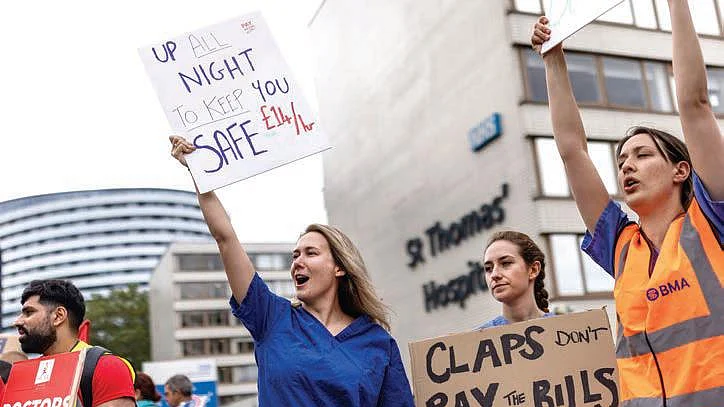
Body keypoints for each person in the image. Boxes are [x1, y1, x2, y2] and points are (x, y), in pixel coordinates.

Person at [530, 0, 723, 404]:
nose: (627, 167)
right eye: (621, 161)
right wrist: (552, 59)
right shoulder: (620, 245)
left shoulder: (711, 219)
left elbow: (695, 105)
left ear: (681, 170)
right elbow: (572, 151)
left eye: (642, 155)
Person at [169, 136, 414, 406]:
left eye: (311, 253)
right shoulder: (271, 318)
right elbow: (225, 238)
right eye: (295, 255)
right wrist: (198, 171)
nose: (298, 261)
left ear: (340, 268)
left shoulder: (377, 342)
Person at [13, 280, 136, 407]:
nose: (17, 322)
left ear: (58, 316)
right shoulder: (24, 376)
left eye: (29, 312)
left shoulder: (107, 367)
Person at [476, 231, 553, 329]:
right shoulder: (476, 340)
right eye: (488, 268)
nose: (494, 275)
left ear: (533, 269)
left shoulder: (568, 330)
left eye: (506, 263)